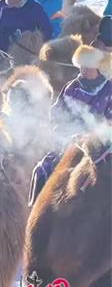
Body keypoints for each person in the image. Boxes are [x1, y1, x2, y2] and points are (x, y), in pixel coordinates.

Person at [29, 44, 112, 205]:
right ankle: (36, 208)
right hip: (70, 140)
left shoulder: (109, 89)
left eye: (87, 66)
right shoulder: (71, 87)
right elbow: (58, 113)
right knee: (42, 169)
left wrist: (94, 135)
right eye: (81, 66)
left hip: (100, 145)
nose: (84, 70)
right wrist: (63, 132)